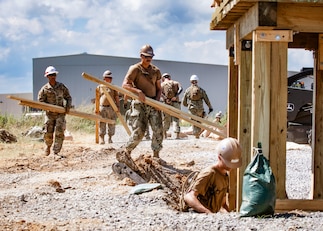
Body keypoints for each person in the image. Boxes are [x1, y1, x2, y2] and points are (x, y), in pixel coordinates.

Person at [116, 44, 163, 171]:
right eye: (147, 57)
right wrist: (137, 91)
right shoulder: (135, 69)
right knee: (139, 132)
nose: (149, 59)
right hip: (139, 103)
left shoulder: (156, 71)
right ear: (141, 56)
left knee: (158, 129)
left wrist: (158, 102)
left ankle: (156, 156)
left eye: (151, 57)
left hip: (153, 103)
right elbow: (125, 85)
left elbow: (159, 88)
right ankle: (126, 152)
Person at [182, 137, 242, 213]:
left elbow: (222, 204)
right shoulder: (209, 173)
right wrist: (208, 213)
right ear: (219, 158)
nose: (231, 166)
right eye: (228, 163)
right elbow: (189, 197)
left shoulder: (225, 176)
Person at [38, 66, 72, 158]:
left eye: (54, 75)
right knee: (48, 132)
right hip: (49, 115)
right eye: (50, 75)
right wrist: (47, 108)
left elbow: (68, 97)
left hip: (60, 114)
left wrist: (67, 107)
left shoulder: (61, 87)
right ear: (47, 76)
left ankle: (56, 152)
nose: (52, 77)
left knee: (59, 132)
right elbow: (40, 101)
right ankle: (48, 147)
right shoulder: (44, 89)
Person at [95, 70, 119, 144]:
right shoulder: (99, 87)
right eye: (107, 77)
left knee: (111, 123)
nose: (109, 79)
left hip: (111, 108)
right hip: (102, 107)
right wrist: (96, 108)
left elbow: (116, 97)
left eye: (110, 78)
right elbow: (97, 98)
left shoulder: (113, 87)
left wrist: (118, 107)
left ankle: (110, 138)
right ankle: (102, 138)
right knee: (102, 122)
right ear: (104, 78)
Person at [160, 73, 183, 139]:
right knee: (176, 119)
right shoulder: (175, 82)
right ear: (169, 77)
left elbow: (160, 92)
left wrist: (166, 98)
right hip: (175, 102)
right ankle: (177, 135)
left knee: (165, 119)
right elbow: (181, 89)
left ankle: (165, 135)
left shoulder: (162, 84)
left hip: (166, 103)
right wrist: (175, 96)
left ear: (163, 78)